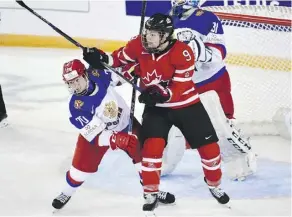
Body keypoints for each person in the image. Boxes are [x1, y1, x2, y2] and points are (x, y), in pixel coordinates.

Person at [82, 13, 230, 213]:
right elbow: (116, 60)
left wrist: (162, 93)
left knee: (210, 149)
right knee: (151, 149)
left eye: (153, 34)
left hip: (187, 105)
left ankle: (214, 185)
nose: (147, 38)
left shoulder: (183, 52)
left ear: (166, 36)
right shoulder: (138, 45)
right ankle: (151, 192)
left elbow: (179, 87)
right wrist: (99, 58)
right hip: (156, 108)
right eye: (147, 33)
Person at [52, 59, 175, 210]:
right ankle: (67, 192)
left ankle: (151, 192)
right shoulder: (76, 107)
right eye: (70, 83)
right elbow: (96, 135)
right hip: (96, 136)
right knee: (80, 171)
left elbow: (118, 76)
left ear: (85, 75)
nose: (75, 86)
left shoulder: (97, 73)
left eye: (76, 80)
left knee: (144, 157)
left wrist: (132, 71)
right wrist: (115, 138)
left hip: (125, 123)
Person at [161, 0, 257, 180]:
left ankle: (242, 160)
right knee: (174, 129)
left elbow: (219, 53)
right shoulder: (166, 20)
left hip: (212, 82)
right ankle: (165, 163)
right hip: (184, 86)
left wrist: (200, 51)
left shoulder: (207, 18)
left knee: (221, 128)